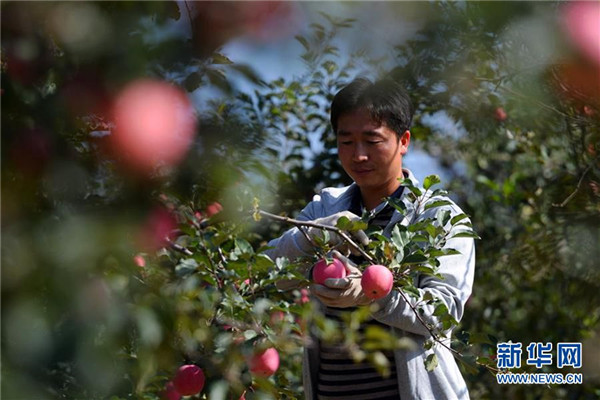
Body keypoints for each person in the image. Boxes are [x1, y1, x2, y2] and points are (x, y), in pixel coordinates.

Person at [266, 78, 475, 400]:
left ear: (403, 141)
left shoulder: (438, 218)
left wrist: (373, 296)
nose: (358, 155)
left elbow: (442, 312)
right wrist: (317, 231)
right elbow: (269, 271)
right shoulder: (326, 207)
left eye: (372, 141)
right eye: (346, 142)